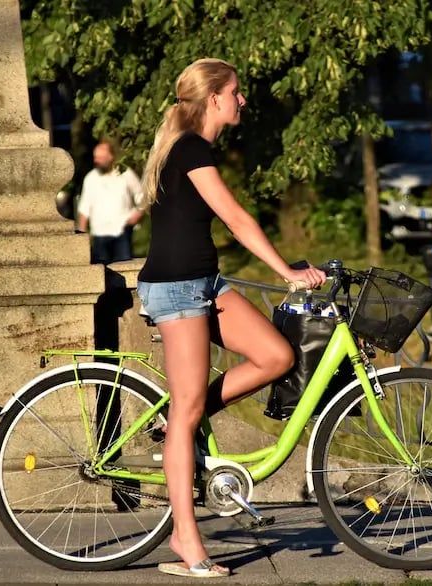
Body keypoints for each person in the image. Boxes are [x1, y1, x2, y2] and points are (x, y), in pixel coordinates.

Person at [136, 58, 326, 579]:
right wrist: (286, 270)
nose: (243, 101)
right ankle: (185, 536)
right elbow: (237, 219)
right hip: (177, 291)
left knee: (276, 355)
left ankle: (181, 416)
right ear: (214, 98)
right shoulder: (192, 149)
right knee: (189, 411)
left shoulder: (196, 147)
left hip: (204, 284)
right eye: (237, 93)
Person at [77, 139, 145, 264]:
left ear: (111, 157)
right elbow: (85, 207)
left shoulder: (125, 173)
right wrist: (81, 235)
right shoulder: (91, 178)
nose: (97, 161)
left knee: (125, 267)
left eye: (101, 157)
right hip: (100, 234)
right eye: (96, 157)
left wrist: (138, 214)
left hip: (122, 230)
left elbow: (141, 196)